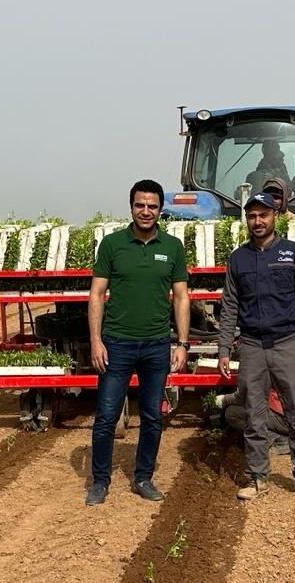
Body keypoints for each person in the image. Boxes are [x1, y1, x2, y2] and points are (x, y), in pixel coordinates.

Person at [86, 179, 191, 506]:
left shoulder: (172, 247)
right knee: (105, 415)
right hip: (116, 343)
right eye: (140, 205)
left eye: (152, 206)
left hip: (156, 345)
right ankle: (100, 481)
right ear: (131, 207)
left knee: (152, 416)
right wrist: (95, 341)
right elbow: (97, 294)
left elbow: (182, 297)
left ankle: (143, 477)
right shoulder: (112, 245)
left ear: (161, 209)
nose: (146, 211)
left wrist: (182, 343)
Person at [217, 192, 295, 501]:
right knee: (253, 414)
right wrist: (224, 349)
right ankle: (258, 476)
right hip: (251, 345)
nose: (257, 221)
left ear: (276, 216)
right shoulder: (239, 258)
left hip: (288, 343)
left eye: (263, 215)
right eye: (252, 216)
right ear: (247, 220)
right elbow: (230, 307)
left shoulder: (293, 253)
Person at [213, 377, 295, 455]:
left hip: (290, 418)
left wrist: (223, 399)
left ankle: (280, 440)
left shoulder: (265, 365)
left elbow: (247, 395)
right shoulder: (287, 357)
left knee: (233, 413)